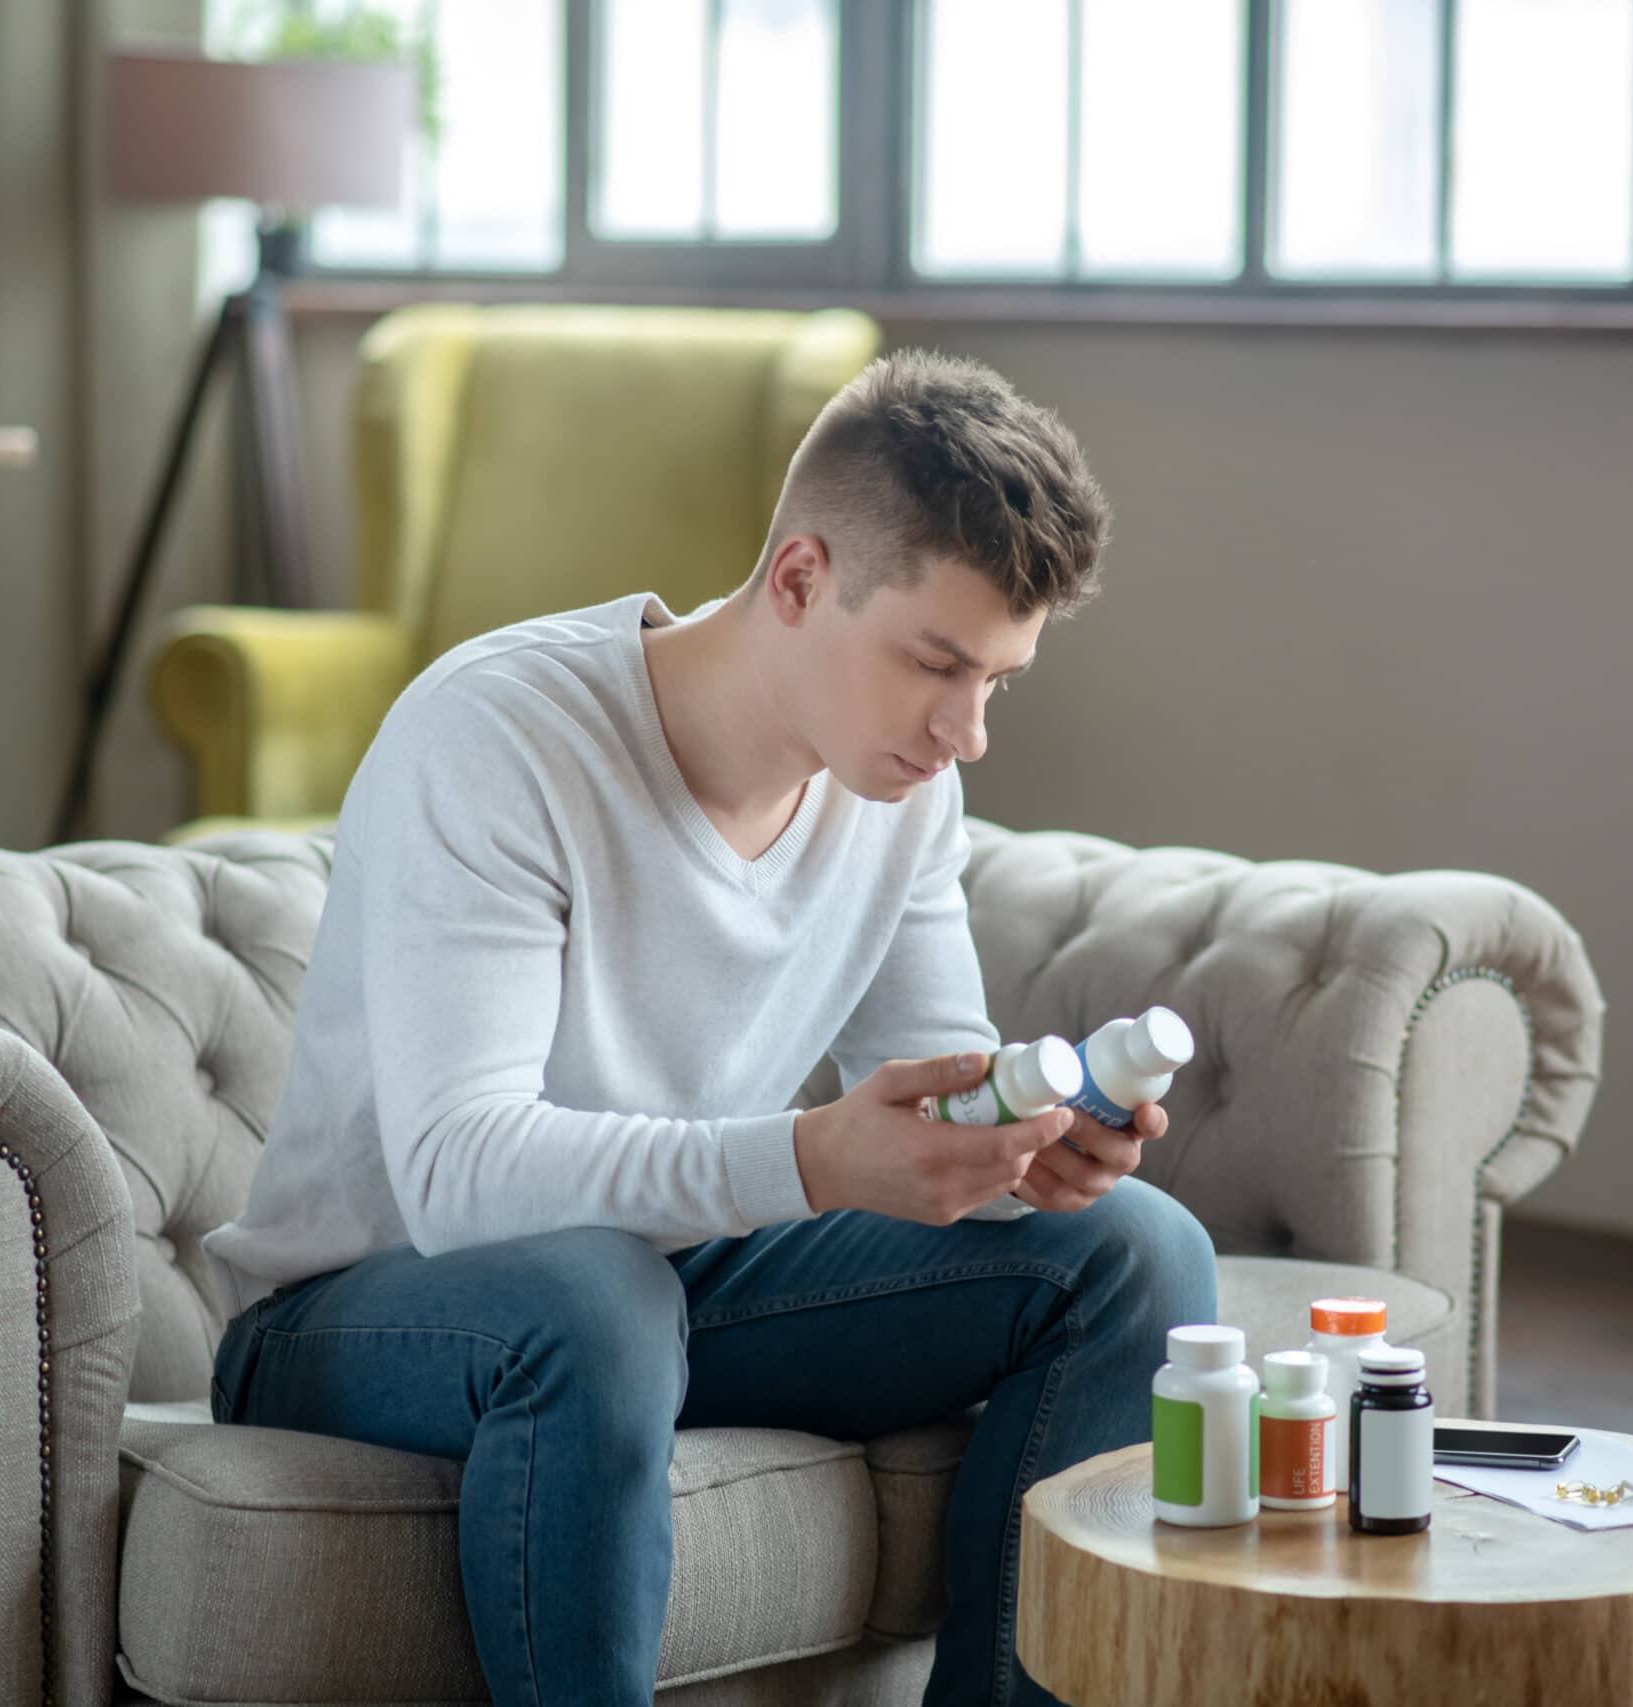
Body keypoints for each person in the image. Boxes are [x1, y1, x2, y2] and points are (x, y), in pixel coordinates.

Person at [201, 349, 1219, 1707]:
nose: (967, 732)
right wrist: (807, 1161)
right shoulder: (500, 737)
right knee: (594, 1294)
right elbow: (458, 1176)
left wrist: (1015, 1154)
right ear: (799, 579)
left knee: (1133, 1251)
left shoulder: (902, 792)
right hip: (367, 1313)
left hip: (676, 1279)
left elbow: (925, 1096)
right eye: (935, 663)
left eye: (999, 681)